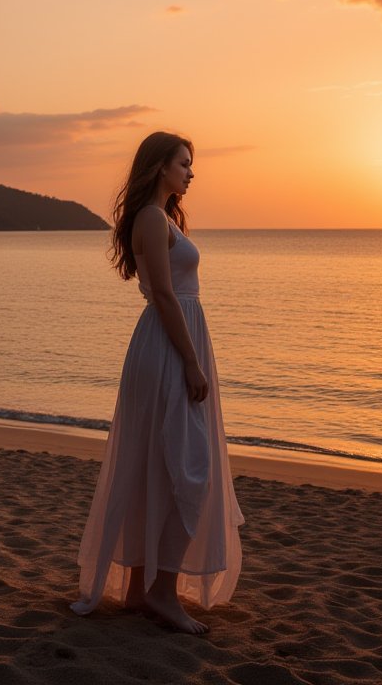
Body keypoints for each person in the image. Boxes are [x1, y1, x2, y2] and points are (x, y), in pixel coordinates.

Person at [69, 131, 244, 633]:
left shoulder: (161, 218)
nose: (191, 172)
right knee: (191, 469)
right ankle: (163, 594)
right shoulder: (150, 217)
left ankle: (138, 592)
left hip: (170, 343)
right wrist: (191, 363)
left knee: (157, 464)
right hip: (169, 347)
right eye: (184, 163)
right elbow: (165, 296)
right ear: (160, 166)